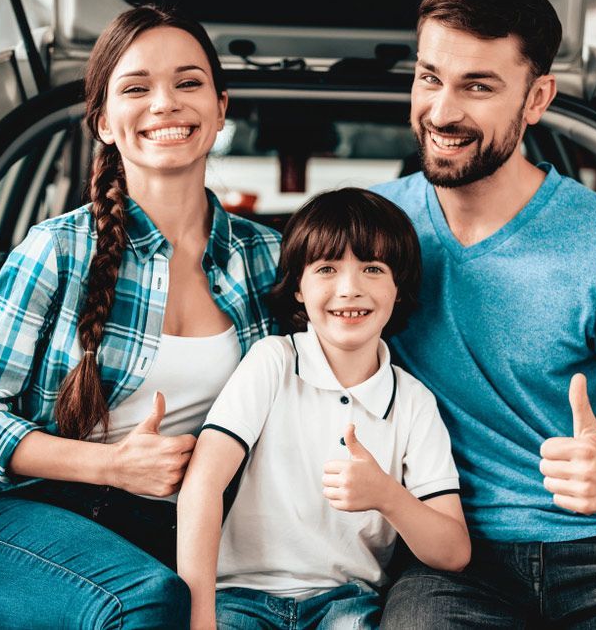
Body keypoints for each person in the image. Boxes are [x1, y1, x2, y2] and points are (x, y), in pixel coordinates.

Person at [372, 0, 596, 628]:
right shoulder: (370, 234)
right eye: (429, 77)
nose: (443, 110)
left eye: (478, 86)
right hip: (448, 556)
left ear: (537, 98)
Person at [0, 6, 280, 628]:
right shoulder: (57, 250)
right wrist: (112, 465)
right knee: (143, 603)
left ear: (222, 109)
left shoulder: (265, 258)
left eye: (188, 83)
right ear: (104, 122)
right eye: (136, 88)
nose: (164, 104)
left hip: (186, 521)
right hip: (25, 510)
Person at [177, 188, 470, 629]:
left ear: (398, 288)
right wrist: (199, 622)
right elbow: (202, 484)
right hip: (241, 597)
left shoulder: (413, 402)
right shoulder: (273, 362)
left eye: (372, 268)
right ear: (298, 288)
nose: (349, 289)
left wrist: (387, 496)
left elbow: (454, 551)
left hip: (347, 604)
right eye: (327, 269)